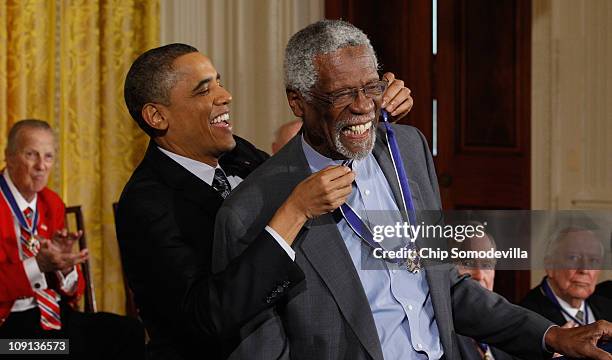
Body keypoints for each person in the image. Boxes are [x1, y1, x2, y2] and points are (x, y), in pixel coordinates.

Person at [214, 20, 612, 360]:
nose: (362, 107)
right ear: (298, 101)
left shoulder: (408, 148)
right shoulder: (252, 209)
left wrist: (551, 336)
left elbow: (445, 285)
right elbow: (260, 347)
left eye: (370, 87)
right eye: (340, 95)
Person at [117, 43, 410, 359]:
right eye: (204, 91)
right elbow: (208, 316)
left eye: (219, 81)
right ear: (157, 116)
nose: (225, 95)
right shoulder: (145, 203)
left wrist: (366, 113)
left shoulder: (239, 154)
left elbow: (310, 162)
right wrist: (294, 212)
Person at [0, 119, 144, 359]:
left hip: (51, 315)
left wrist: (65, 268)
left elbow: (73, 293)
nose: (41, 166)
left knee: (129, 332)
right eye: (31, 154)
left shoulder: (52, 203)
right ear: (9, 156)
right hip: (8, 333)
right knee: (58, 349)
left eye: (48, 157)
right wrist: (38, 265)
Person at [521, 227, 612, 326]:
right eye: (573, 258)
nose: (584, 270)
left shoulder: (608, 307)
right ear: (550, 265)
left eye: (594, 260)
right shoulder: (525, 318)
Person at [453, 231, 519, 360]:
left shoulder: (505, 325)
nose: (479, 275)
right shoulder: (439, 333)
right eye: (467, 263)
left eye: (487, 265)